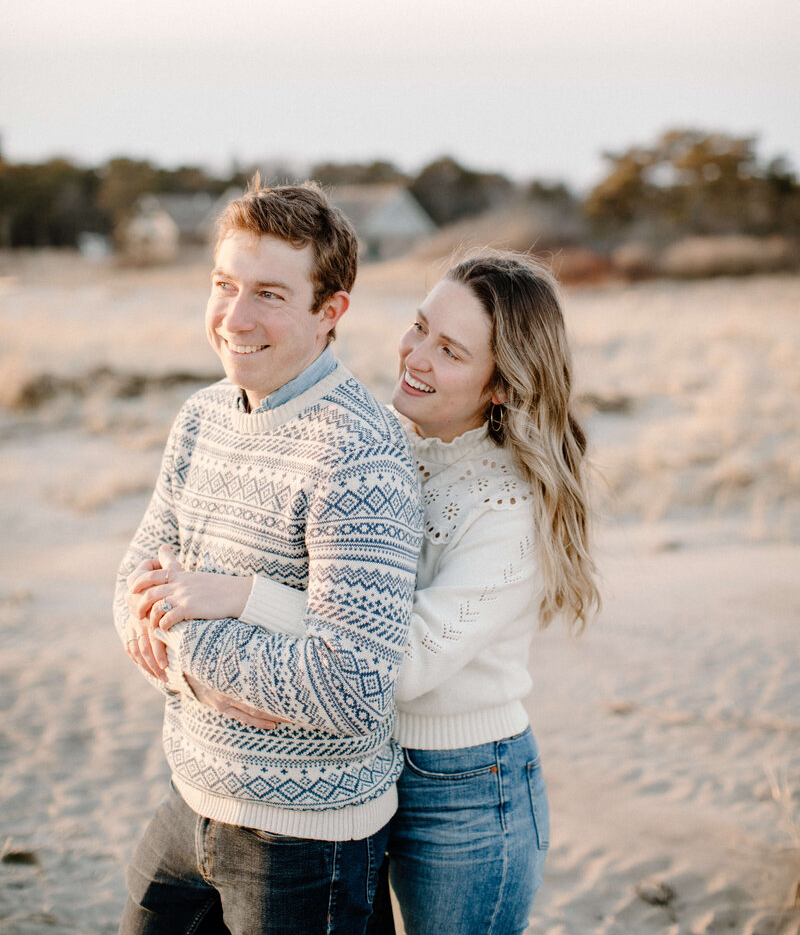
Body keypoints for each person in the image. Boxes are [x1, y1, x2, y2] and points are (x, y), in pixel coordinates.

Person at [129, 249, 601, 935]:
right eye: (419, 327)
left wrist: (243, 596)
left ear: (501, 385)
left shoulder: (508, 510)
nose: (414, 354)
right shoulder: (383, 442)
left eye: (449, 350)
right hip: (361, 766)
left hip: (466, 788)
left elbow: (393, 663)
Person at [113, 180, 424, 935]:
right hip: (192, 795)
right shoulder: (202, 416)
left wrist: (184, 649)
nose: (235, 317)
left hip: (305, 840)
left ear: (330, 312)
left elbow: (352, 687)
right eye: (225, 285)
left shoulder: (360, 455)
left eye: (269, 295)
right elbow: (133, 584)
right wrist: (197, 659)